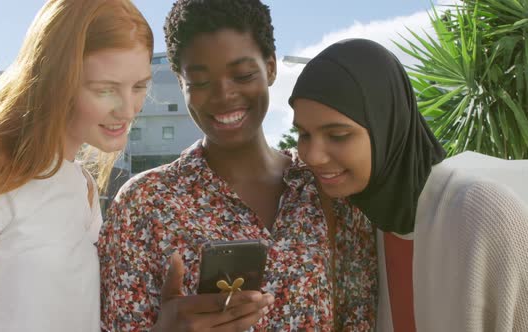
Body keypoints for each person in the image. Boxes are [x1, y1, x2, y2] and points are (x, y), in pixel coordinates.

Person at [98, 1, 379, 331]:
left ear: (270, 67)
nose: (224, 94)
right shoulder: (143, 203)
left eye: (243, 75)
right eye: (200, 82)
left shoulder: (329, 187)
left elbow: (360, 320)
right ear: (180, 82)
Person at [0, 1, 153, 331]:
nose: (127, 109)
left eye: (139, 86)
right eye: (105, 90)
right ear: (55, 79)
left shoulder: (83, 186)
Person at [290, 38, 528, 332]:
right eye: (303, 134)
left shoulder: (484, 213)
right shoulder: (360, 223)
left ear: (387, 126)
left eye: (338, 135)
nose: (313, 156)